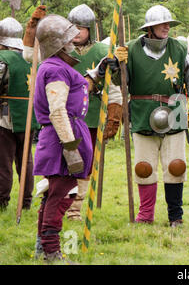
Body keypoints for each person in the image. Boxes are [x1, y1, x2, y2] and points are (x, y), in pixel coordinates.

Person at [113, 5, 189, 227]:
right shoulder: (131, 49)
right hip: (142, 113)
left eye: (168, 24)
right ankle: (145, 215)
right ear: (150, 28)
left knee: (175, 166)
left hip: (174, 111)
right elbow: (119, 83)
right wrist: (117, 66)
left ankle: (175, 216)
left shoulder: (180, 48)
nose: (166, 28)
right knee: (144, 168)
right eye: (162, 24)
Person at [32, 14, 96, 261]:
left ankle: (42, 248)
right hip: (62, 139)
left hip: (65, 135)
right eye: (68, 39)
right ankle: (51, 251)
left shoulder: (59, 67)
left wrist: (97, 74)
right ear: (59, 44)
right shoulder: (55, 70)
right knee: (60, 197)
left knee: (53, 194)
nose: (74, 42)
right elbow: (57, 110)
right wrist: (71, 147)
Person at [64, 4, 123, 221]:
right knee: (63, 162)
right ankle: (57, 204)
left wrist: (114, 115)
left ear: (90, 29)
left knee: (84, 164)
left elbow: (114, 89)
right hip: (64, 117)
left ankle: (74, 210)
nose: (78, 32)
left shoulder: (102, 52)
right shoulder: (62, 51)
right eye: (74, 27)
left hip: (91, 117)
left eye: (82, 28)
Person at [0, 16, 40, 211]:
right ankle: (25, 202)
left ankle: (2, 201)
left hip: (6, 117)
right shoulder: (31, 57)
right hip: (29, 116)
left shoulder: (3, 58)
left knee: (4, 161)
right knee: (26, 160)